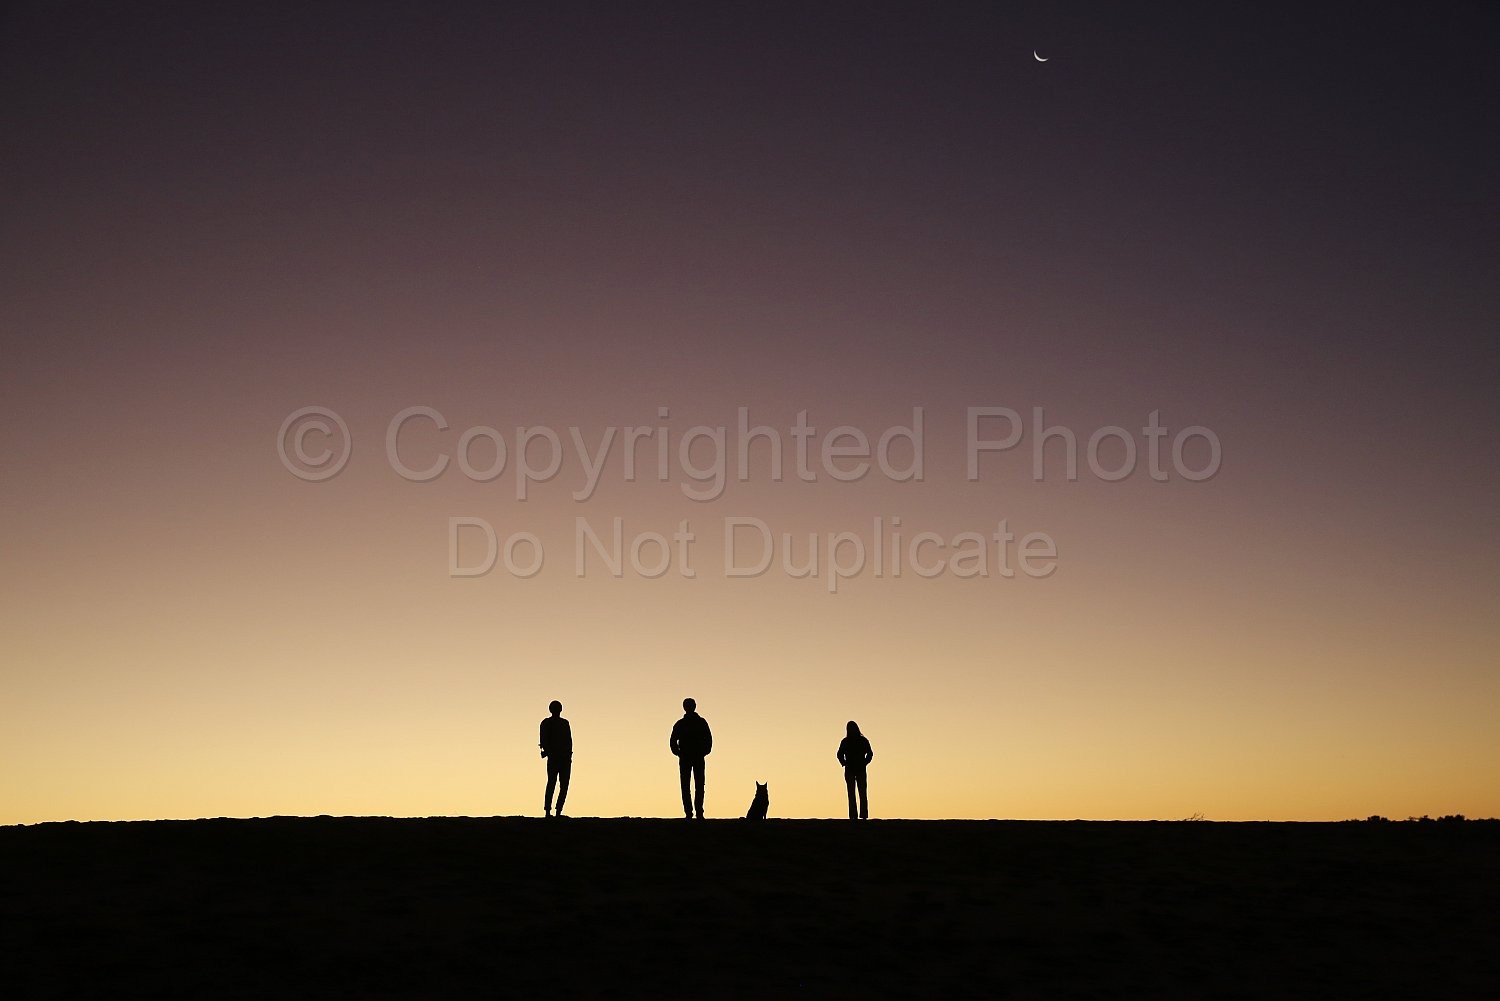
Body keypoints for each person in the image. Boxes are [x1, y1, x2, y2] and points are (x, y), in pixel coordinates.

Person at [670, 697, 712, 819]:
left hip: (695, 756)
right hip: (688, 757)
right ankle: (692, 812)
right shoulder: (682, 724)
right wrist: (678, 752)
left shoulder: (698, 722)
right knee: (691, 785)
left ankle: (696, 812)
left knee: (695, 785)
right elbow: (673, 741)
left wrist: (704, 751)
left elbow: (708, 740)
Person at [539, 700, 572, 817]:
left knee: (559, 784)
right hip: (557, 757)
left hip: (562, 757)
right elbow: (544, 741)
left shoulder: (561, 723)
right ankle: (551, 811)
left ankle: (554, 811)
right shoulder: (549, 723)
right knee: (555, 783)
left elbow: (569, 741)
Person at [837, 720, 874, 820]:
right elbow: (839, 754)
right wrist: (844, 763)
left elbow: (870, 753)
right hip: (853, 769)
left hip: (857, 769)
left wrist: (864, 763)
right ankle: (858, 815)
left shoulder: (859, 741)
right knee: (857, 793)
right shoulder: (848, 741)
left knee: (857, 793)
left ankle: (858, 815)